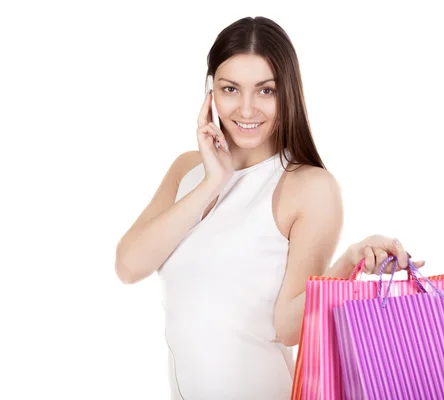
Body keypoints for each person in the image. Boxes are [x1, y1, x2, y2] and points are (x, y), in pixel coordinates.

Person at [114, 16, 425, 400]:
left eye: (265, 91)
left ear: (287, 94)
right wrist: (214, 180)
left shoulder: (308, 187)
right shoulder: (187, 171)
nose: (246, 110)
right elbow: (129, 266)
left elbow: (287, 327)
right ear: (210, 93)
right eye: (230, 89)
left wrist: (349, 261)